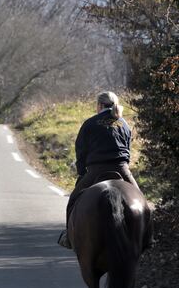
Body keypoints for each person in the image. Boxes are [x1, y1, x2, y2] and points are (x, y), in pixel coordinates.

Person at [58, 91, 140, 250]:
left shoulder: (89, 123)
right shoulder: (124, 123)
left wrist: (82, 172)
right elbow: (127, 152)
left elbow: (81, 152)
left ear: (99, 105)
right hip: (122, 169)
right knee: (141, 200)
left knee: (73, 201)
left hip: (96, 170)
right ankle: (148, 237)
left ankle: (69, 237)